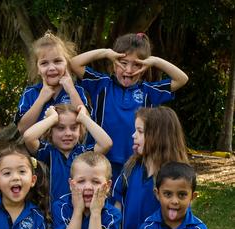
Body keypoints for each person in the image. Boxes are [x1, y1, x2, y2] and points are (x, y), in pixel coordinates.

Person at [70, 33, 188, 180]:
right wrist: (106, 53)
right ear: (114, 63)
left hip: (135, 162)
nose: (129, 70)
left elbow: (182, 79)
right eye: (123, 63)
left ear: (144, 68)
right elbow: (74, 63)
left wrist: (155, 61)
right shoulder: (102, 84)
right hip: (99, 159)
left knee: (127, 201)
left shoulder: (149, 91)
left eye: (137, 64)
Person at [112, 106, 189, 229]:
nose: (133, 135)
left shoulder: (176, 177)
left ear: (158, 137)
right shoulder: (130, 168)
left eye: (139, 131)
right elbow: (117, 205)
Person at [23, 104, 112, 204]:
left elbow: (106, 144)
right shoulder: (46, 152)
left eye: (74, 128)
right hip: (50, 216)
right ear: (50, 131)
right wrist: (52, 118)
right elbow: (28, 137)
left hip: (81, 215)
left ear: (80, 131)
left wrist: (84, 118)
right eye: (60, 128)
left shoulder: (84, 153)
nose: (68, 133)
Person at [15, 31, 90, 135]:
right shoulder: (30, 93)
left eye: (57, 61)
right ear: (38, 69)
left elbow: (87, 124)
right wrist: (41, 99)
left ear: (67, 65)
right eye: (44, 63)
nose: (51, 68)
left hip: (73, 151)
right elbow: (22, 128)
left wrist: (71, 91)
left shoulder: (77, 91)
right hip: (39, 150)